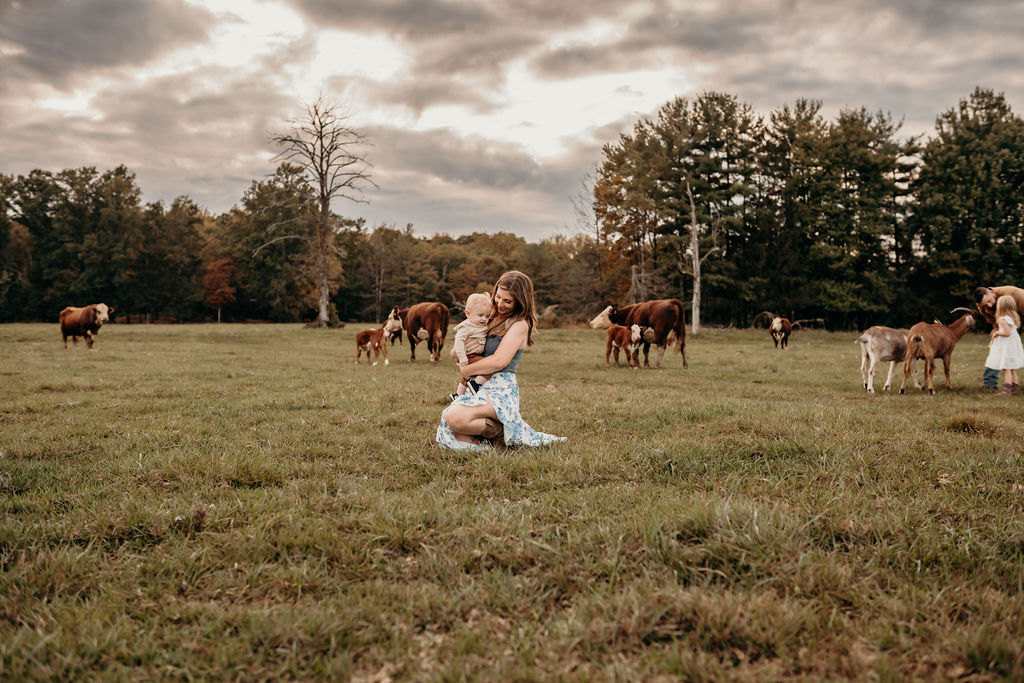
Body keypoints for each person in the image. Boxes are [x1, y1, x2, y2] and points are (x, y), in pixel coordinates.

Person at [436, 271, 566, 450]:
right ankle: (495, 434)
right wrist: (464, 350)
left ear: (520, 302)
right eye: (498, 296)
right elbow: (454, 352)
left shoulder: (519, 324)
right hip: (478, 384)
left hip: (501, 389)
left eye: (508, 301)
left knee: (454, 417)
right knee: (456, 433)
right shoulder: (487, 315)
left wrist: (466, 370)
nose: (500, 303)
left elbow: (499, 361)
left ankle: (499, 432)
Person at [974, 286, 1024, 389]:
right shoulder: (982, 305)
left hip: (1016, 323)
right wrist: (997, 328)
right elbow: (991, 319)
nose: (989, 305)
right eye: (985, 304)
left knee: (1010, 363)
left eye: (989, 301)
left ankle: (1010, 387)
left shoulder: (1016, 294)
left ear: (992, 292)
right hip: (1007, 328)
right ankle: (990, 383)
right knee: (995, 351)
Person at [449, 292, 492, 401]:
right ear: (468, 314)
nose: (484, 319)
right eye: (480, 315)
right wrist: (462, 357)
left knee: (466, 376)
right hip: (469, 355)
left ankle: (458, 395)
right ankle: (476, 384)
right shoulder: (466, 327)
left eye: (487, 316)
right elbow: (458, 342)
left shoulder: (481, 325)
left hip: (473, 355)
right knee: (489, 366)